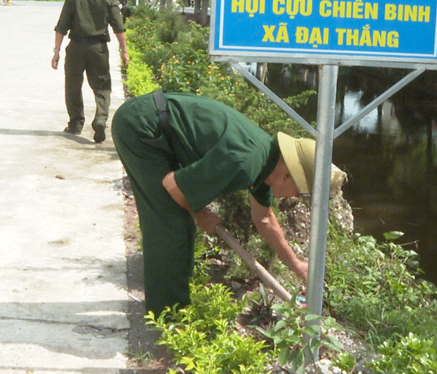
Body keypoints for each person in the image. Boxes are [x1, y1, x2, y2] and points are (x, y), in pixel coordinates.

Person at [112, 90, 321, 315]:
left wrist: (297, 265)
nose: (293, 198)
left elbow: (265, 219)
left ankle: (175, 306)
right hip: (140, 127)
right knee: (171, 223)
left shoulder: (266, 164)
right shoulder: (245, 160)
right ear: (287, 176)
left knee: (178, 218)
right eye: (298, 194)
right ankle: (168, 319)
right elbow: (173, 185)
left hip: (158, 128)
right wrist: (200, 214)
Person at [51, 0, 129, 143]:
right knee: (102, 87)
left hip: (76, 48)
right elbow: (120, 29)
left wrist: (56, 51)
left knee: (73, 86)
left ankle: (75, 124)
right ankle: (100, 119)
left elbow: (61, 28)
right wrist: (124, 52)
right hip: (98, 50)